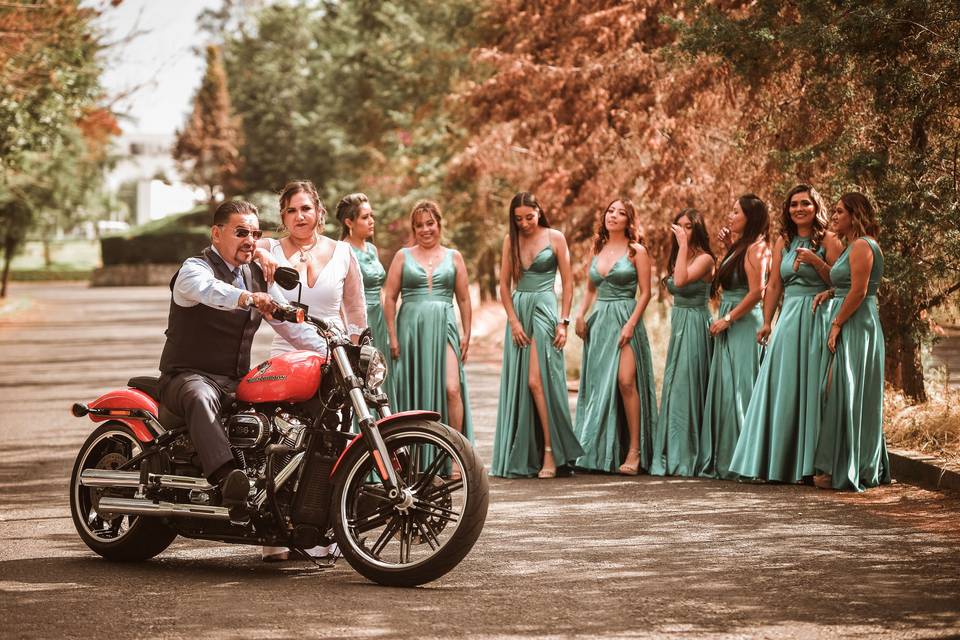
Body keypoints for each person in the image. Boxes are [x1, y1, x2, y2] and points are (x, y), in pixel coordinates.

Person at [158, 200, 328, 523]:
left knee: (280, 409)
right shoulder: (195, 269)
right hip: (187, 377)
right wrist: (247, 297)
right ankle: (228, 479)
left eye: (255, 233)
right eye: (241, 232)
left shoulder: (255, 275)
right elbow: (208, 290)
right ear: (216, 233)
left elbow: (288, 323)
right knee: (200, 395)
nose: (250, 240)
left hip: (235, 381)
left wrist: (331, 349)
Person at [255, 180, 366, 562]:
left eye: (306, 208)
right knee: (286, 441)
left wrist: (357, 353)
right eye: (291, 211)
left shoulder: (343, 253)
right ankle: (277, 529)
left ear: (319, 211)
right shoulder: (269, 249)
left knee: (332, 442)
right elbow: (243, 246)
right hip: (288, 356)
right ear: (282, 217)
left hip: (335, 358)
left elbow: (355, 312)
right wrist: (261, 252)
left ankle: (322, 528)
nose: (300, 217)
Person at [728, 184, 843, 483]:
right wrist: (766, 322)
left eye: (805, 203)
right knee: (782, 386)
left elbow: (841, 282)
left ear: (816, 208)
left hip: (818, 316)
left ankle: (811, 465)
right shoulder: (784, 240)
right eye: (793, 205)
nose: (799, 209)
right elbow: (775, 285)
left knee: (812, 388)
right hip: (789, 318)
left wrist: (817, 262)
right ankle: (776, 463)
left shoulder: (829, 240)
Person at [491, 192, 583, 478]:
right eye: (518, 219)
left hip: (545, 308)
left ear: (539, 212)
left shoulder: (555, 237)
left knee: (536, 381)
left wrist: (564, 322)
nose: (525, 223)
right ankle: (528, 453)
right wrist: (513, 322)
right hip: (519, 311)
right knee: (523, 384)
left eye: (529, 217)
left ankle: (550, 453)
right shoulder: (511, 240)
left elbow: (568, 283)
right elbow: (504, 286)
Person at [383, 201, 474, 461]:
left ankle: (457, 455)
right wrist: (392, 335)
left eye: (430, 223)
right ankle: (416, 460)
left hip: (444, 326)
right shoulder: (403, 256)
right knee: (415, 392)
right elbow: (389, 298)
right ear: (414, 228)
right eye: (419, 225)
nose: (425, 230)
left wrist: (467, 334)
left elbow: (465, 299)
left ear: (439, 224)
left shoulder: (454, 256)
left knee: (451, 388)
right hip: (410, 331)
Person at [812, 193, 890, 491]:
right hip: (850, 318)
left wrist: (836, 324)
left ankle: (850, 465)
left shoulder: (862, 245)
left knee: (844, 389)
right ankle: (839, 462)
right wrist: (829, 293)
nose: (834, 215)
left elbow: (859, 292)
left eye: (840, 211)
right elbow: (847, 286)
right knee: (838, 390)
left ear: (855, 215)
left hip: (857, 324)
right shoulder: (850, 246)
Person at [573, 198, 657, 475]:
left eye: (621, 213)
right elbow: (590, 288)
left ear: (629, 221)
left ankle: (634, 450)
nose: (614, 216)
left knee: (625, 382)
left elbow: (646, 292)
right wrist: (581, 314)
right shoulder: (598, 249)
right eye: (610, 211)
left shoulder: (637, 252)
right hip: (600, 323)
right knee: (601, 388)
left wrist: (631, 324)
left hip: (625, 318)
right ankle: (600, 450)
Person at [696, 195, 769, 479]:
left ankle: (747, 461)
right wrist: (730, 249)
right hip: (731, 317)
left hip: (743, 322)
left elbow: (756, 292)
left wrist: (727, 318)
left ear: (750, 217)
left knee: (741, 389)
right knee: (727, 390)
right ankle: (729, 455)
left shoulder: (757, 249)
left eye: (736, 212)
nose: (730, 215)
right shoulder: (742, 248)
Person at [649, 208, 715, 477]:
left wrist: (684, 245)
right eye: (679, 226)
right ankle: (672, 452)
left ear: (697, 229)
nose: (683, 231)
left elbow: (680, 280)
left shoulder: (705, 258)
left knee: (686, 387)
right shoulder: (679, 255)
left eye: (689, 227)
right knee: (675, 385)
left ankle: (687, 455)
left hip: (696, 323)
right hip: (678, 324)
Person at [336, 192, 394, 401]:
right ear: (349, 222)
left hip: (377, 319)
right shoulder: (341, 251)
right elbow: (340, 296)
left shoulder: (372, 249)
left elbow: (380, 289)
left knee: (379, 376)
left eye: (372, 216)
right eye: (365, 217)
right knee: (361, 377)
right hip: (357, 322)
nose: (372, 221)